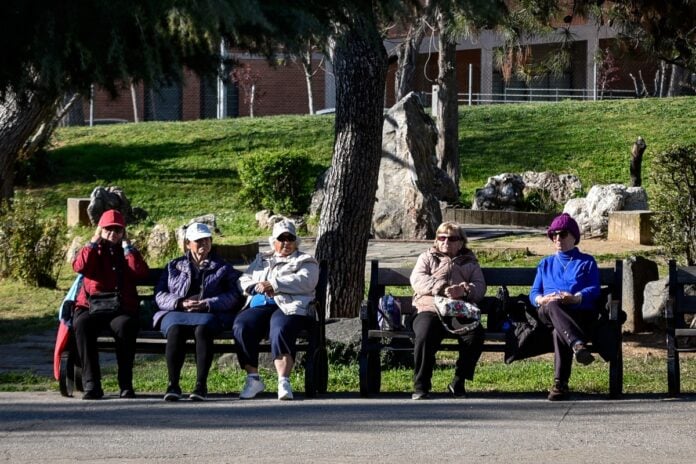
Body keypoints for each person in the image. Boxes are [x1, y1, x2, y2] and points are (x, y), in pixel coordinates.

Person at [154, 222, 243, 401]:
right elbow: (160, 294)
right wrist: (180, 303)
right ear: (188, 244)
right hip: (177, 312)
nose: (204, 244)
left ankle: (200, 386)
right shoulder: (174, 265)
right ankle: (173, 385)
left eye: (207, 240)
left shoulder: (222, 267)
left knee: (203, 330)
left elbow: (234, 294)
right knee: (175, 330)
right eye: (198, 241)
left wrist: (208, 303)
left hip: (209, 313)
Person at [234, 220, 319, 400]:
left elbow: (306, 281)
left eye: (290, 238)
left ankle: (283, 381)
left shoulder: (305, 261)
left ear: (296, 242)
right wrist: (252, 286)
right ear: (274, 241)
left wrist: (274, 284)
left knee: (280, 328)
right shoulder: (261, 260)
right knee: (242, 325)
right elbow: (244, 279)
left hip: (288, 306)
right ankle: (253, 378)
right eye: (282, 238)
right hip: (261, 305)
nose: (286, 242)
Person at [72, 209, 149, 400]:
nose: (112, 233)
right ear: (100, 229)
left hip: (120, 307)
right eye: (108, 229)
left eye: (117, 229)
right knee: (82, 324)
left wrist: (128, 249)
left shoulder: (127, 252)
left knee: (125, 326)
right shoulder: (93, 250)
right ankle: (92, 384)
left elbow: (140, 273)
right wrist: (93, 242)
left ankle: (125, 384)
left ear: (123, 231)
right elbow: (79, 267)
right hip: (92, 306)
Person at [409, 221, 486, 400]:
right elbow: (418, 280)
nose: (445, 242)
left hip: (458, 309)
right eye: (441, 238)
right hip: (430, 307)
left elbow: (480, 287)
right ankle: (421, 385)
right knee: (424, 333)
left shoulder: (470, 262)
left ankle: (458, 381)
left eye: (451, 238)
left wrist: (464, 290)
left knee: (475, 333)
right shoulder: (427, 257)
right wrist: (442, 287)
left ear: (461, 242)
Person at [530, 213, 600, 401]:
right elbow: (533, 292)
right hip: (547, 312)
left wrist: (576, 298)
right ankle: (578, 345)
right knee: (553, 303)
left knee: (558, 332)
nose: (557, 238)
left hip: (576, 313)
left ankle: (560, 384)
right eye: (554, 235)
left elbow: (594, 289)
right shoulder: (545, 263)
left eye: (562, 234)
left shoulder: (586, 261)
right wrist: (541, 300)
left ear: (574, 237)